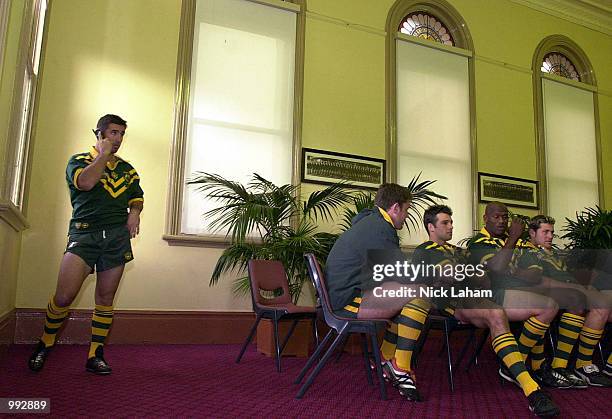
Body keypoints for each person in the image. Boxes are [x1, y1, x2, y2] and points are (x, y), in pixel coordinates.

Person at [413, 205, 559, 417]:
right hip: (452, 302)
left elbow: (481, 276)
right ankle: (531, 389)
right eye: (445, 222)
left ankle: (519, 374)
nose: (451, 226)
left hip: (475, 295)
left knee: (532, 307)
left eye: (451, 222)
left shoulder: (456, 250)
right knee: (496, 313)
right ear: (431, 227)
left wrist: (473, 275)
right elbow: (444, 276)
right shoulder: (425, 249)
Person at [28, 114, 144, 375]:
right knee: (64, 296)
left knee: (105, 298)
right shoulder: (79, 161)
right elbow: (86, 182)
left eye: (121, 134)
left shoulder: (127, 169)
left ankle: (95, 354)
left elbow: (137, 195)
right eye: (113, 133)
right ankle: (45, 343)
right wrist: (102, 155)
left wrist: (134, 212)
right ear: (100, 134)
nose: (118, 139)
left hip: (116, 238)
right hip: (84, 235)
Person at [326, 183, 431, 401]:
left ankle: (384, 357)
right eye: (407, 210)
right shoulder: (381, 228)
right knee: (421, 292)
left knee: (406, 296)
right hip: (348, 303)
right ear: (395, 208)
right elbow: (401, 273)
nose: (407, 215)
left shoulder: (370, 222)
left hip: (346, 296)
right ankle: (400, 367)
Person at [526, 215, 612, 387]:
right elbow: (539, 281)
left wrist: (585, 288)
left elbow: (568, 278)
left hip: (569, 291)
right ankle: (562, 365)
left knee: (602, 305)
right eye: (545, 232)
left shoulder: (552, 253)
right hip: (546, 296)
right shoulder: (526, 251)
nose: (550, 236)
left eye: (552, 232)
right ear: (532, 233)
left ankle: (591, 366)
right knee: (580, 300)